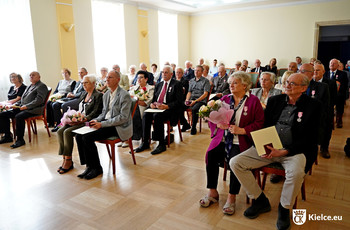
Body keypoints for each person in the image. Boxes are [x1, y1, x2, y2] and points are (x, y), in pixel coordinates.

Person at [231, 73, 322, 230]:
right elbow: (264, 126)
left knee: (296, 173)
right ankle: (260, 200)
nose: (287, 85)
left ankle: (284, 208)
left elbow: (312, 138)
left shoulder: (313, 106)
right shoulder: (275, 101)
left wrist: (284, 151)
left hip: (295, 151)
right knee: (236, 163)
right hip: (269, 148)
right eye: (287, 82)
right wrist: (263, 144)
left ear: (303, 88)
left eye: (292, 83)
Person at [199, 71, 264, 215]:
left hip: (240, 140)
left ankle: (231, 197)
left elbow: (260, 123)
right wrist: (218, 125)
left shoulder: (253, 101)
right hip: (223, 138)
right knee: (211, 154)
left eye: (235, 82)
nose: (231, 85)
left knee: (235, 160)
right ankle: (212, 192)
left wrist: (242, 130)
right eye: (230, 83)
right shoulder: (225, 99)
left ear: (245, 85)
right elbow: (214, 118)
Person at [75, 70, 132, 180]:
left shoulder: (124, 95)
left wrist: (102, 124)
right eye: (107, 77)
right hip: (106, 123)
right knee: (79, 136)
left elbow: (123, 118)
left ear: (118, 80)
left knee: (87, 138)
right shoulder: (106, 95)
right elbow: (103, 113)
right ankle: (89, 166)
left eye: (110, 77)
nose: (107, 79)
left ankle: (97, 168)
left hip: (118, 127)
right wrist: (96, 120)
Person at [56, 75, 103, 174]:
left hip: (87, 121)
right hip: (79, 119)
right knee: (60, 130)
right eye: (82, 83)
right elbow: (79, 109)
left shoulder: (98, 95)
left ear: (93, 83)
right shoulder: (83, 94)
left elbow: (96, 112)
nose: (83, 85)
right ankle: (64, 158)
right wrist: (74, 117)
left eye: (86, 83)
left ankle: (68, 160)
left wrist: (83, 119)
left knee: (68, 132)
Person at [134, 65, 183, 155]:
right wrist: (152, 104)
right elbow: (154, 98)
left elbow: (179, 102)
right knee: (146, 114)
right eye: (162, 72)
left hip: (170, 109)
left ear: (171, 74)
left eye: (166, 72)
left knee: (157, 116)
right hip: (157, 108)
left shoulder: (176, 84)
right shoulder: (159, 84)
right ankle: (145, 143)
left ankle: (161, 144)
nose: (164, 74)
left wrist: (166, 106)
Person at [0, 71, 48, 148]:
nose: (31, 76)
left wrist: (27, 106)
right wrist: (16, 105)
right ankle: (7, 136)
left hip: (34, 109)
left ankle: (20, 140)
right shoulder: (30, 86)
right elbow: (23, 99)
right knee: (3, 114)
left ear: (39, 77)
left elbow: (39, 100)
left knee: (19, 116)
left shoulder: (41, 86)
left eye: (33, 75)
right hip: (23, 107)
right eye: (30, 75)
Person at [313, 63, 337, 158]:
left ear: (323, 71)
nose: (315, 72)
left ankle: (324, 148)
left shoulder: (331, 83)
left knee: (327, 126)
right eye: (314, 70)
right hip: (312, 109)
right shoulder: (309, 82)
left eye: (318, 70)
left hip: (326, 109)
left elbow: (333, 100)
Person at [185, 65, 211, 135]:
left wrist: (195, 101)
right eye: (195, 70)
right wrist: (187, 100)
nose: (196, 72)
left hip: (201, 101)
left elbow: (205, 94)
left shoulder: (206, 81)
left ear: (202, 72)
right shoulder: (191, 81)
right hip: (192, 99)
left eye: (198, 70)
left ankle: (193, 127)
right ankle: (185, 124)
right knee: (180, 105)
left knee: (194, 109)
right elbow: (189, 92)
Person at [324, 59, 348, 128]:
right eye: (331, 63)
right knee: (329, 107)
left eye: (334, 63)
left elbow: (344, 85)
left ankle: (339, 120)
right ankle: (331, 121)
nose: (332, 64)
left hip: (339, 94)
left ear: (338, 65)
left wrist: (339, 93)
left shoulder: (343, 74)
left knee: (340, 106)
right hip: (328, 94)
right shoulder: (325, 73)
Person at [175, 67, 191, 132]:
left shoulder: (185, 81)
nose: (178, 74)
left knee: (178, 108)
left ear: (182, 73)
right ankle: (185, 124)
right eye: (177, 72)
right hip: (175, 99)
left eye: (179, 72)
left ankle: (185, 124)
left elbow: (185, 92)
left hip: (183, 99)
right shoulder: (173, 80)